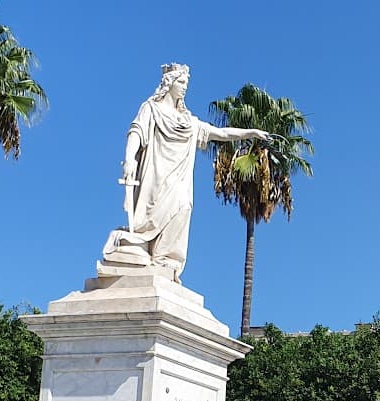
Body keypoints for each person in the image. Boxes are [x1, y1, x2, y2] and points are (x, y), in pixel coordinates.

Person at [100, 64, 274, 281]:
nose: (184, 88)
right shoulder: (151, 109)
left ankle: (164, 260)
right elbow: (136, 131)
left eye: (186, 84)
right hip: (155, 173)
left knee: (183, 207)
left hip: (179, 181)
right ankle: (144, 248)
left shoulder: (189, 122)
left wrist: (252, 132)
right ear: (169, 83)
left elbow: (220, 132)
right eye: (181, 82)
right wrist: (129, 160)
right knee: (150, 215)